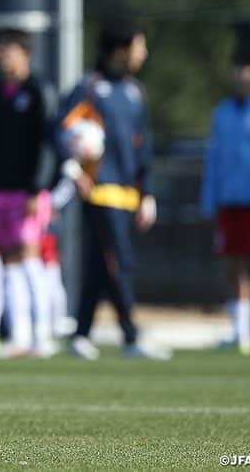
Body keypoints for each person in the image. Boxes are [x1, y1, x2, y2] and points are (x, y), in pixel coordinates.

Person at [61, 20, 170, 361]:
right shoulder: (90, 87)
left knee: (99, 263)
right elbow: (60, 129)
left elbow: (142, 146)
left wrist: (147, 193)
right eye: (140, 46)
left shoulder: (136, 92)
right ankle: (131, 336)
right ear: (121, 50)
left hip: (127, 192)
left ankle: (80, 334)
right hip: (99, 190)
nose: (145, 53)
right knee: (118, 260)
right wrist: (72, 166)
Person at [0, 29, 56, 358]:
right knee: (7, 261)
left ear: (25, 53)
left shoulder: (39, 92)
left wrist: (37, 187)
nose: (1, 55)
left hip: (27, 191)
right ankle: (19, 333)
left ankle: (43, 333)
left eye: (8, 49)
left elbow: (48, 144)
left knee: (29, 257)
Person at [200, 50, 250, 355]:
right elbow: (214, 158)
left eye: (247, 69)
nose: (241, 76)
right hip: (230, 200)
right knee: (233, 265)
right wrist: (210, 198)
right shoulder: (222, 111)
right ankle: (240, 332)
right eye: (237, 69)